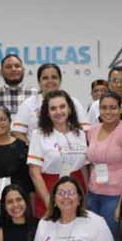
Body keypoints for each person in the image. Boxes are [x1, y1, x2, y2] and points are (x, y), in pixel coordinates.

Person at [28, 90, 90, 218]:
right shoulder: (38, 135)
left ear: (69, 109)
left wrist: (86, 195)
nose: (58, 112)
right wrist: (48, 201)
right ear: (47, 113)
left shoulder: (80, 134)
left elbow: (84, 167)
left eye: (62, 107)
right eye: (53, 108)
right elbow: (34, 172)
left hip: (77, 190)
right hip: (50, 188)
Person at [85, 92, 122, 235]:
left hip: (115, 195)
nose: (108, 112)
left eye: (113, 107)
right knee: (94, 236)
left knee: (111, 237)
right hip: (93, 193)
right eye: (104, 108)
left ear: (120, 109)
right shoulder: (92, 131)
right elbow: (91, 163)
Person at [12, 63, 89, 143]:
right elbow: (17, 132)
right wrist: (33, 147)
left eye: (54, 77)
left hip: (70, 149)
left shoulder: (73, 102)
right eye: (45, 78)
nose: (50, 81)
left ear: (60, 80)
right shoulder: (28, 104)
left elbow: (86, 131)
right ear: (39, 82)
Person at [0, 54, 37, 137]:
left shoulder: (35, 94)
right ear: (1, 72)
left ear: (23, 70)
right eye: (8, 67)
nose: (13, 69)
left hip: (30, 144)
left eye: (17, 66)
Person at [86, 66, 122, 132]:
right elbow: (89, 132)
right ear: (109, 84)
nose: (119, 85)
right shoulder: (95, 106)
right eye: (115, 81)